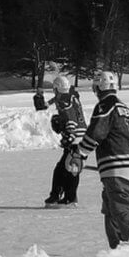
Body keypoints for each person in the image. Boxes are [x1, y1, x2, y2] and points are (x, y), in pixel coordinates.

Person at [65, 71, 129, 249]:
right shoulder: (124, 108)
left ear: (99, 87)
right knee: (110, 209)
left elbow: (96, 132)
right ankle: (117, 251)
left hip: (117, 165)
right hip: (124, 164)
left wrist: (80, 153)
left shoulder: (105, 105)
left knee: (119, 209)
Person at [44, 75, 86, 208]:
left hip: (76, 138)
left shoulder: (64, 100)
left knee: (68, 169)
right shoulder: (71, 95)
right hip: (81, 136)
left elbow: (70, 118)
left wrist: (69, 136)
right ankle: (65, 196)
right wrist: (48, 104)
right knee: (67, 168)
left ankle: (68, 197)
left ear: (56, 88)